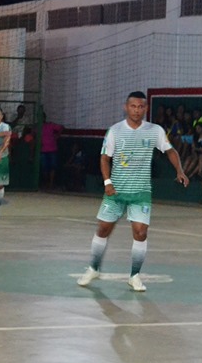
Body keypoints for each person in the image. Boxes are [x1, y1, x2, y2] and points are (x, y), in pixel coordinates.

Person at [77, 91, 189, 292]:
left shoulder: (154, 131)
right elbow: (104, 158)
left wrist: (179, 170)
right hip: (116, 192)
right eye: (133, 106)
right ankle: (93, 268)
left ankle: (135, 275)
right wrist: (107, 182)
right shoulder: (115, 131)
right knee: (103, 229)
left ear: (145, 109)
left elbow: (170, 150)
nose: (137, 110)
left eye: (141, 107)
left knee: (141, 232)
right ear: (126, 107)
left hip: (141, 192)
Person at [40, 116, 64, 189]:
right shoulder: (37, 127)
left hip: (52, 149)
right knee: (44, 168)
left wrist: (57, 135)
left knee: (52, 167)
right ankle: (46, 182)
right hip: (43, 149)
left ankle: (51, 183)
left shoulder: (50, 125)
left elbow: (61, 127)